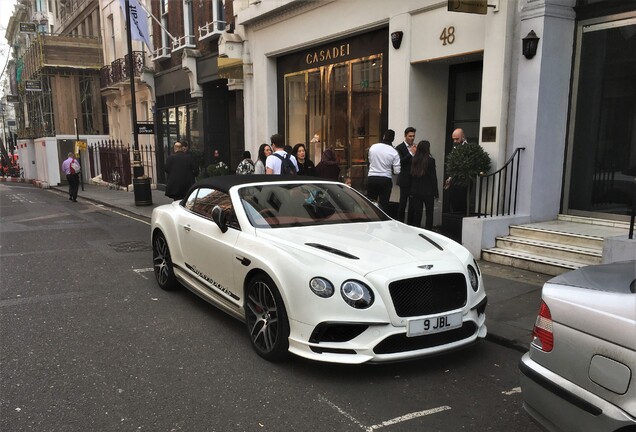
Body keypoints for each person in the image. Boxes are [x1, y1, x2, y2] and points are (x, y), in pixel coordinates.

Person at [366, 129, 400, 211]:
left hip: (372, 178)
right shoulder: (394, 152)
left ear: (384, 136)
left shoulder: (373, 147)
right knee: (383, 204)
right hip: (385, 179)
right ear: (393, 139)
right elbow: (397, 171)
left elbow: (370, 161)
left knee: (370, 203)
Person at [408, 140, 439, 229]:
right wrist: (436, 193)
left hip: (416, 191)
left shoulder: (414, 160)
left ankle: (417, 229)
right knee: (429, 213)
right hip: (428, 191)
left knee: (418, 212)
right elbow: (433, 178)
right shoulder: (431, 161)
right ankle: (428, 230)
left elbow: (411, 176)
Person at [444, 128, 469, 213]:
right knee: (453, 203)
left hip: (463, 180)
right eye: (453, 139)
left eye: (457, 139)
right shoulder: (455, 147)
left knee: (461, 204)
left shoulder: (468, 148)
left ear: (463, 137)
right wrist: (450, 178)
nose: (455, 141)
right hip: (454, 180)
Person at [395, 127, 416, 222]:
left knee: (413, 203)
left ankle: (411, 223)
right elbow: (400, 162)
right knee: (403, 202)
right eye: (410, 136)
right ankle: (400, 221)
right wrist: (411, 153)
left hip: (414, 179)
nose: (412, 138)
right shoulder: (399, 148)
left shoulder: (415, 147)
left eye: (413, 136)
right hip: (404, 179)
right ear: (405, 136)